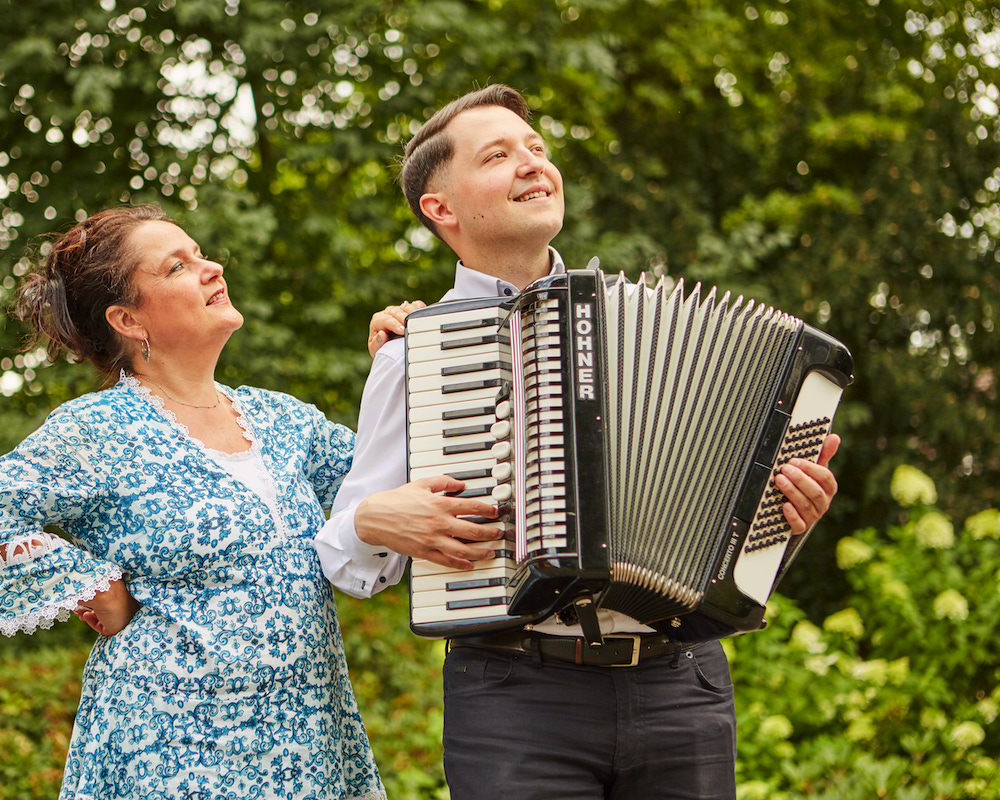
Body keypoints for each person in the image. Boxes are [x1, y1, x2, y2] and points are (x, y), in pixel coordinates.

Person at [315, 85, 842, 799]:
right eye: (498, 156)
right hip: (515, 695)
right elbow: (350, 562)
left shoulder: (645, 325)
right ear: (440, 209)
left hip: (681, 683)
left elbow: (730, 536)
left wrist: (784, 519)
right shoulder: (418, 356)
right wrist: (377, 520)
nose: (533, 163)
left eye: (536, 148)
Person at [0, 204, 409, 800]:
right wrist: (92, 584)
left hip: (309, 748)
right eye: (178, 266)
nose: (210, 268)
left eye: (201, 253)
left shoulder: (285, 420)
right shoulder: (98, 429)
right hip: (166, 751)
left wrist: (400, 370)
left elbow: (393, 495)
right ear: (129, 319)